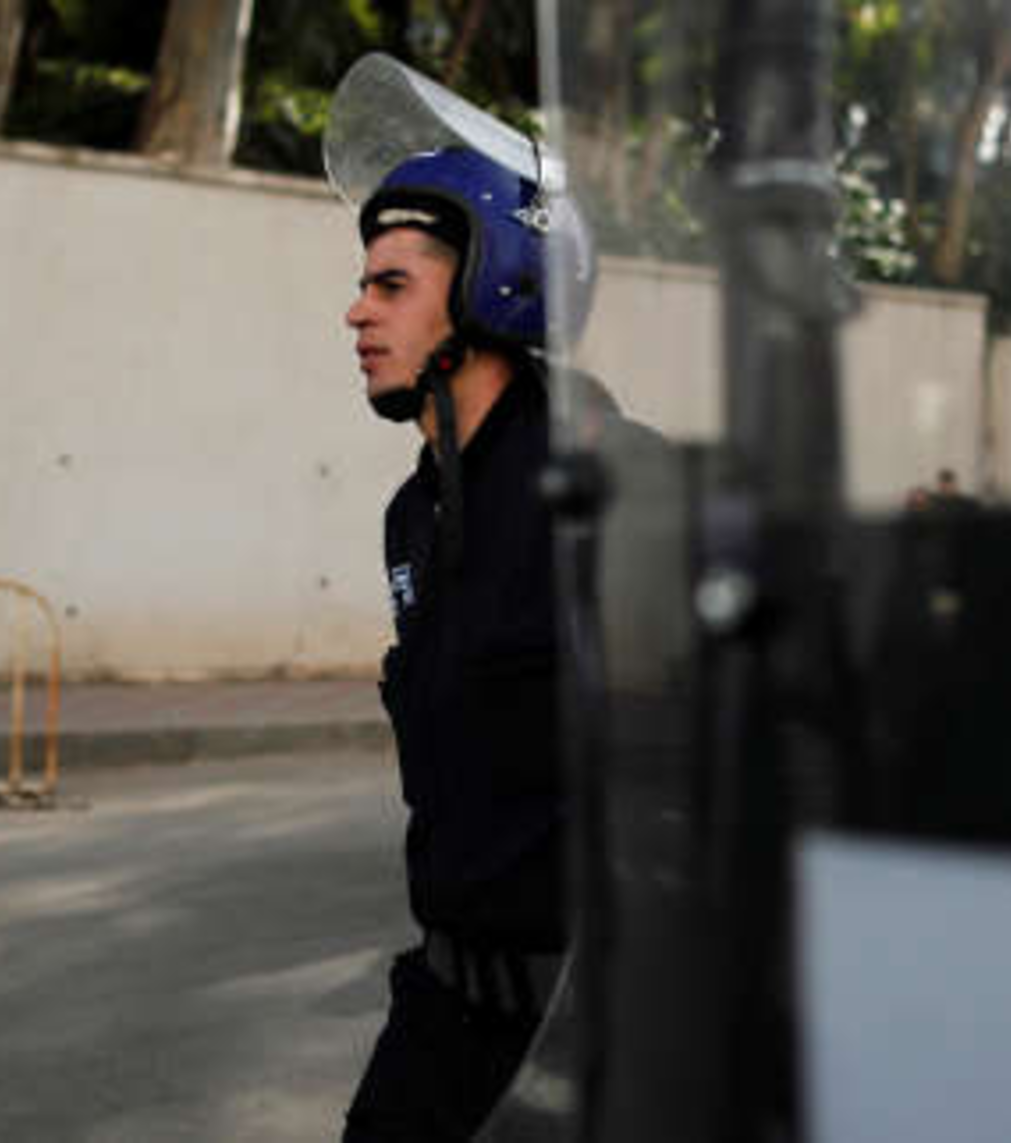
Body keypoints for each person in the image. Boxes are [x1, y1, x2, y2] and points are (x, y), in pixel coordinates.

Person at [337, 136, 601, 1142]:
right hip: (442, 1009)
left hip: (581, 1031)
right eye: (364, 285)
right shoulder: (414, 516)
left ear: (496, 289)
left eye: (392, 286)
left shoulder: (600, 491)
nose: (357, 312)